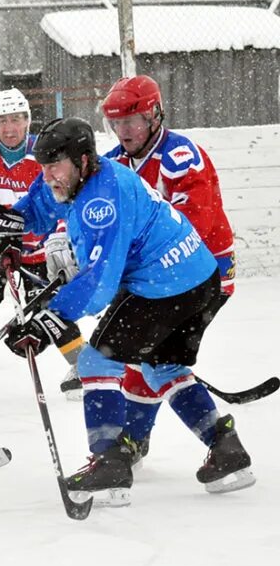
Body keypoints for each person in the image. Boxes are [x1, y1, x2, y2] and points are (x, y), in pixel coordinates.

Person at [0, 117, 254, 505]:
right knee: (165, 367)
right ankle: (227, 450)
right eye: (42, 165)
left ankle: (108, 464)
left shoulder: (101, 201)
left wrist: (49, 319)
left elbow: (99, 283)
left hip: (164, 287)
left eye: (54, 165)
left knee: (95, 363)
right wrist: (13, 222)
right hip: (199, 281)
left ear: (83, 159)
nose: (47, 175)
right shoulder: (77, 177)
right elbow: (42, 203)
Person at [100, 74, 236, 464]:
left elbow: (195, 224)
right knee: (149, 357)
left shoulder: (180, 157)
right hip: (163, 280)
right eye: (116, 123)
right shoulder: (116, 162)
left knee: (153, 356)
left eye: (132, 121)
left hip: (205, 274)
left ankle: (208, 441)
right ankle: (143, 440)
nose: (123, 131)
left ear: (156, 115)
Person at [0, 88, 84, 398]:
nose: (9, 128)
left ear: (28, 120)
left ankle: (82, 364)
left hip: (38, 250)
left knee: (53, 309)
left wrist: (60, 237)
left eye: (16, 119)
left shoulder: (47, 153)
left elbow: (69, 199)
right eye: (1, 121)